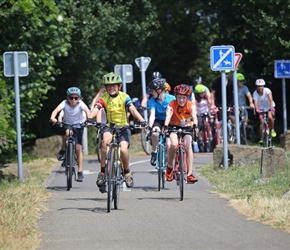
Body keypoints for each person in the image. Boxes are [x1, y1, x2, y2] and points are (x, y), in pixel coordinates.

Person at [88, 72, 147, 191]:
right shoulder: (103, 98)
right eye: (109, 86)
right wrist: (89, 118)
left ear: (119, 86)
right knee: (105, 141)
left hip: (123, 127)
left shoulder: (124, 96)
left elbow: (132, 109)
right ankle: (103, 172)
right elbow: (96, 108)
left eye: (114, 85)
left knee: (124, 149)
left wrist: (142, 120)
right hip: (110, 126)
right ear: (105, 87)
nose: (111, 88)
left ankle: (127, 173)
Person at [50, 87, 90, 182]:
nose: (73, 100)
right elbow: (55, 111)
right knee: (67, 133)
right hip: (67, 124)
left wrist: (88, 120)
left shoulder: (81, 104)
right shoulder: (64, 103)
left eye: (76, 98)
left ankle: (80, 172)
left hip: (78, 126)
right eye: (71, 98)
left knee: (78, 148)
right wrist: (53, 118)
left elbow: (88, 112)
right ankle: (63, 150)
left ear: (79, 98)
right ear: (67, 98)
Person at [164, 84, 198, 184]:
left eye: (184, 98)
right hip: (173, 126)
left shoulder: (190, 105)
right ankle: (169, 167)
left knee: (188, 146)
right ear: (176, 97)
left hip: (187, 127)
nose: (181, 100)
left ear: (187, 98)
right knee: (174, 144)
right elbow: (168, 116)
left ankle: (190, 174)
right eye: (179, 97)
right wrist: (166, 126)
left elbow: (194, 116)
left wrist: (195, 125)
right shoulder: (172, 104)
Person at [147, 78, 175, 166]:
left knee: (168, 143)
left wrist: (166, 126)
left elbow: (171, 114)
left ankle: (168, 158)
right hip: (158, 120)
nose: (151, 92)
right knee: (155, 133)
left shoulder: (172, 99)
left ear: (159, 90)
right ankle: (154, 152)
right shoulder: (152, 100)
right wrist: (150, 127)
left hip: (170, 120)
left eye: (152, 91)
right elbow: (152, 114)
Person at [252, 78, 276, 143]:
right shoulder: (255, 93)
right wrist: (257, 109)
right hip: (261, 108)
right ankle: (262, 137)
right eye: (259, 86)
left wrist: (271, 108)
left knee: (270, 117)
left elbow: (271, 100)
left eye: (262, 86)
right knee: (261, 120)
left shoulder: (267, 91)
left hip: (269, 106)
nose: (260, 88)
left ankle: (272, 129)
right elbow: (255, 102)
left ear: (263, 86)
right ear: (257, 87)